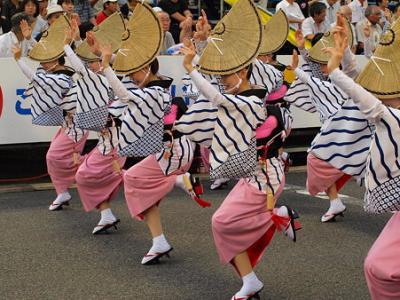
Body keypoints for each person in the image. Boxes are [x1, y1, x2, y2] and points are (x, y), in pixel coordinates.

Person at [181, 0, 300, 298]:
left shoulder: (253, 97)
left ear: (246, 69)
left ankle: (279, 216)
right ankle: (251, 279)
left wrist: (194, 67)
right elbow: (212, 81)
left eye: (229, 73)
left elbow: (220, 95)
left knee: (222, 222)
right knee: (225, 225)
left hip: (265, 172)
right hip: (252, 170)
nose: (223, 78)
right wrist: (205, 41)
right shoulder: (236, 88)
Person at [100, 2, 207, 264]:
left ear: (148, 67)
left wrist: (106, 65)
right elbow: (126, 84)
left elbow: (124, 94)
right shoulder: (152, 86)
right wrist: (107, 56)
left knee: (135, 180)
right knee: (144, 190)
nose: (132, 75)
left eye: (135, 71)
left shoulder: (154, 91)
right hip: (165, 149)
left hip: (172, 150)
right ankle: (159, 241)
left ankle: (180, 182)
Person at [324, 15, 400, 299]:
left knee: (378, 265)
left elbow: (371, 103)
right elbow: (366, 92)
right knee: (377, 266)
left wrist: (334, 71)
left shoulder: (392, 116)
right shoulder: (390, 112)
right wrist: (344, 57)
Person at [12, 15, 89, 211]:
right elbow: (39, 61)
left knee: (53, 156)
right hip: (69, 124)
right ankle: (63, 190)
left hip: (77, 125)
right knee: (53, 157)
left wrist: (19, 60)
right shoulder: (53, 71)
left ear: (55, 60)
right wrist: (29, 40)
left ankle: (93, 164)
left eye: (47, 60)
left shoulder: (63, 77)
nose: (42, 63)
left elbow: (35, 77)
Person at [62, 16, 126, 234]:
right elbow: (82, 66)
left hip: (113, 145)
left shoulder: (103, 78)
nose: (92, 65)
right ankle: (106, 212)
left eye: (95, 61)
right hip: (113, 142)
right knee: (90, 175)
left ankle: (176, 181)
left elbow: (78, 66)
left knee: (84, 176)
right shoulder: (110, 77)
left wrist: (67, 43)